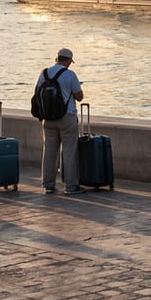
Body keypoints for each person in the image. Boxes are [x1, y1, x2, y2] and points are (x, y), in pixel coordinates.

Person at [36, 48, 85, 195]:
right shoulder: (69, 75)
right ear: (68, 61)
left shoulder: (44, 73)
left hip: (47, 118)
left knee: (49, 151)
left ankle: (48, 184)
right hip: (66, 117)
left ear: (56, 58)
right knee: (69, 152)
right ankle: (71, 186)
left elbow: (37, 92)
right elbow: (79, 96)